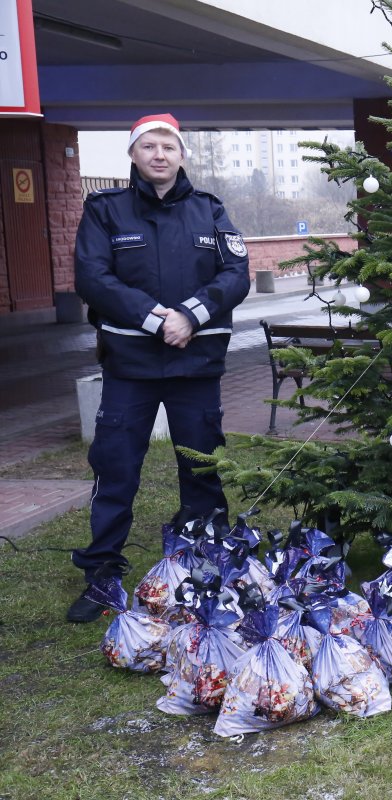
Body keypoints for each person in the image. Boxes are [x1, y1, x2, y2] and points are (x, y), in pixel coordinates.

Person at [68, 113, 250, 623]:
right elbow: (93, 277)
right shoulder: (105, 211)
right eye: (147, 146)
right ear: (133, 154)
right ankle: (102, 574)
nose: (159, 155)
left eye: (167, 146)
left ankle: (207, 564)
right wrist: (155, 319)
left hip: (195, 363)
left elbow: (236, 273)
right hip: (132, 365)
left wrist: (191, 314)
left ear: (181, 154)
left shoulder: (209, 212)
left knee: (202, 466)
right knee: (116, 467)